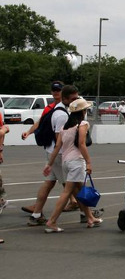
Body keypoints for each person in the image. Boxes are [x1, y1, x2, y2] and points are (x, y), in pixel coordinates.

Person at [42, 97, 102, 231]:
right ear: (83, 111)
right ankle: (51, 222)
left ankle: (90, 217)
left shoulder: (64, 127)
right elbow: (81, 144)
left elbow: (57, 147)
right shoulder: (83, 124)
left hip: (65, 162)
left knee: (80, 191)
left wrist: (49, 164)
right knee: (67, 191)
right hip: (76, 162)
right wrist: (89, 162)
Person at [27, 85, 80, 225]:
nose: (76, 100)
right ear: (66, 98)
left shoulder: (59, 110)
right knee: (72, 185)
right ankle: (86, 213)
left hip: (53, 152)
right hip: (59, 154)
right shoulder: (62, 115)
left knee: (50, 183)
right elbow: (59, 140)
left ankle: (36, 215)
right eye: (73, 98)